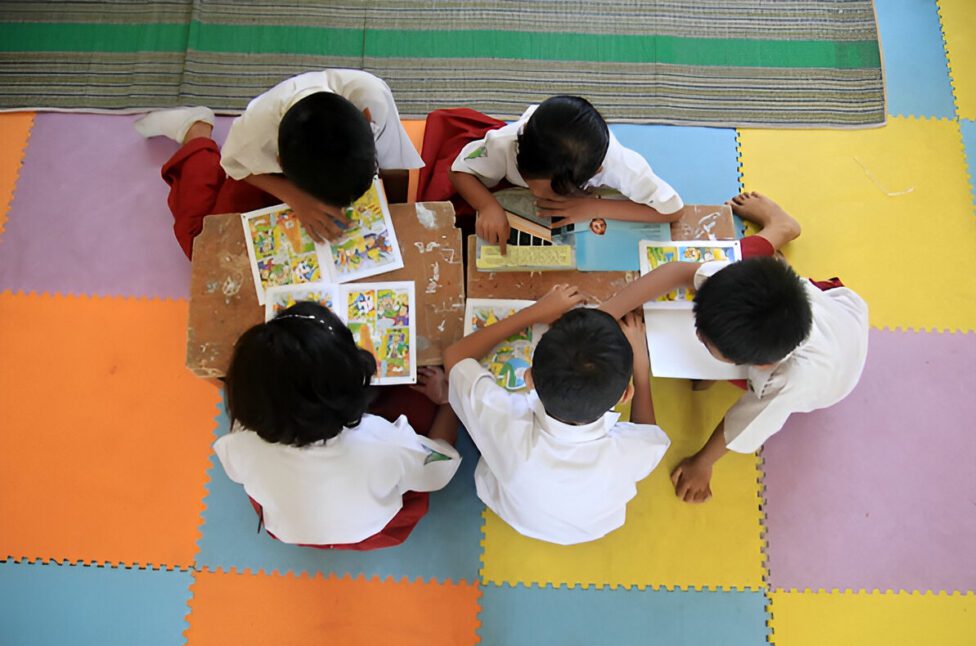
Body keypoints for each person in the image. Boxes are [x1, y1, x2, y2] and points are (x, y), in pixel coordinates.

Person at [601, 192, 869, 503]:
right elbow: (676, 271)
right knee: (735, 257)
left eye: (705, 339)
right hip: (833, 304)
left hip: (834, 374)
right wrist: (606, 311)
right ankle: (780, 229)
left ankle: (778, 234)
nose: (697, 333)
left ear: (761, 364)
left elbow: (741, 427)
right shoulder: (730, 282)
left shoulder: (785, 382)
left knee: (739, 272)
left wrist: (702, 464)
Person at [215, 302, 461, 549]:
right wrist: (449, 400)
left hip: (290, 529)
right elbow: (440, 467)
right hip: (372, 529)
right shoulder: (384, 443)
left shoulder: (237, 443)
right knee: (420, 403)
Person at [443, 286, 671, 544]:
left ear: (529, 379)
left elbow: (454, 356)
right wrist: (641, 367)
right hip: (591, 528)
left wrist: (535, 313)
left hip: (514, 511)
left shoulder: (507, 423)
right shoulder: (633, 451)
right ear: (625, 395)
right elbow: (649, 434)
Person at [135, 69, 422, 258]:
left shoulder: (371, 96)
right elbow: (236, 167)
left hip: (316, 173)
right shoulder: (254, 134)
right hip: (265, 178)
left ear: (367, 117)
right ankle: (195, 131)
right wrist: (296, 199)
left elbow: (395, 168)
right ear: (279, 162)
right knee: (204, 247)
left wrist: (398, 220)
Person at [447, 95, 686, 252]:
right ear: (519, 159)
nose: (540, 198)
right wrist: (488, 206)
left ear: (595, 173)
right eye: (533, 189)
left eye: (556, 194)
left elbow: (673, 210)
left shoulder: (618, 164)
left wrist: (595, 208)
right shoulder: (505, 143)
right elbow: (459, 171)